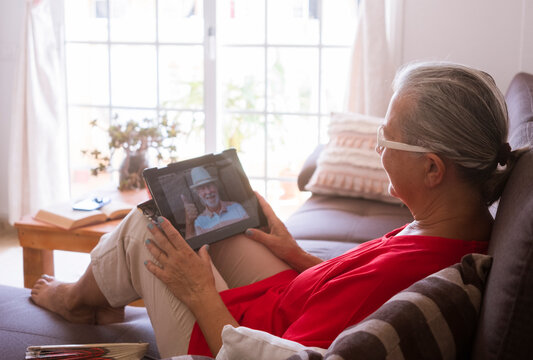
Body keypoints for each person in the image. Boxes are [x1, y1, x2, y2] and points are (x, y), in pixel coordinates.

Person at [30, 62, 527, 358]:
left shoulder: (412, 270)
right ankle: (96, 298)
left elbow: (273, 354)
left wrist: (199, 291)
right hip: (282, 300)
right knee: (224, 219)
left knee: (149, 224)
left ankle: (76, 300)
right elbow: (348, 290)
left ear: (434, 169)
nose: (379, 147)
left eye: (386, 136)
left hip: (229, 338)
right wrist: (296, 252)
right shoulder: (453, 228)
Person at [181, 166, 249, 239]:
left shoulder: (236, 207)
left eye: (209, 186)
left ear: (216, 187)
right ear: (198, 194)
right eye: (202, 188)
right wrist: (189, 223)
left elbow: (251, 231)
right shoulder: (199, 222)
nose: (208, 191)